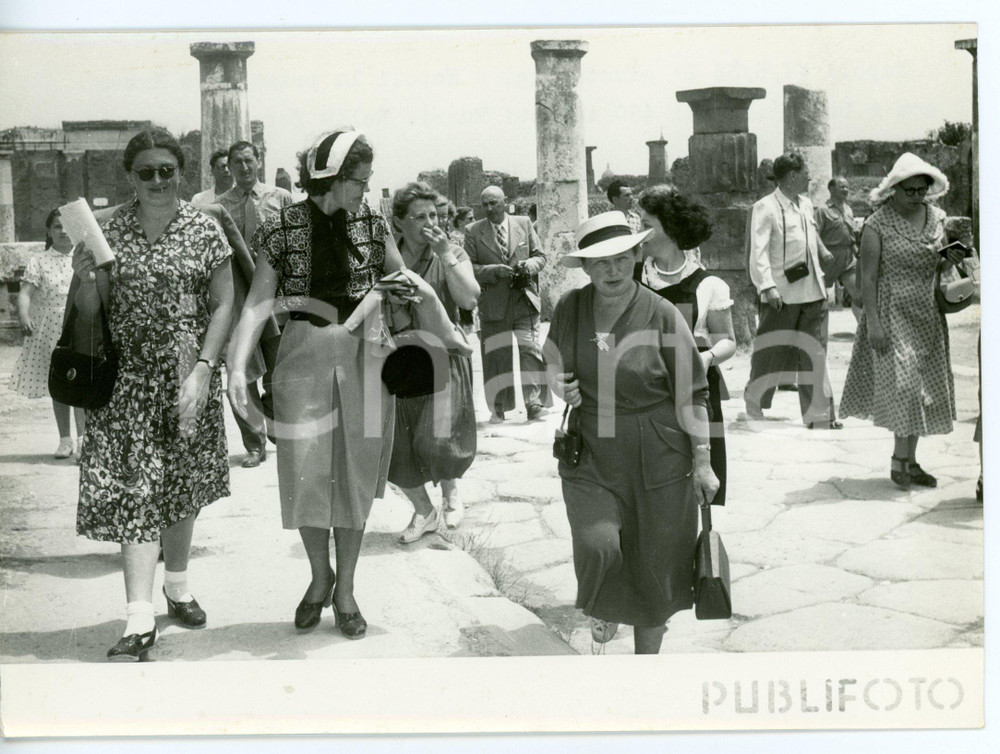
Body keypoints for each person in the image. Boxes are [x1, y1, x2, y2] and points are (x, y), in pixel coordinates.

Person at [227, 129, 449, 640]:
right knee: (306, 475)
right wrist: (237, 368)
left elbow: (404, 280)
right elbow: (257, 305)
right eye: (358, 182)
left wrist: (431, 307)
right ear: (327, 178)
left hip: (366, 356)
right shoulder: (281, 227)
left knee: (354, 475)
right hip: (302, 356)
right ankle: (318, 576)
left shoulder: (372, 223)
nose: (365, 193)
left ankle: (345, 589)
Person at [72, 128, 234, 661]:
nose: (159, 180)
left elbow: (224, 304)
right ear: (130, 176)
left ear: (181, 173)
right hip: (127, 381)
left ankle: (177, 586)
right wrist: (85, 281)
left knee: (182, 487)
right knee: (138, 490)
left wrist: (207, 368)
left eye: (168, 170)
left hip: (189, 373)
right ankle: (139, 619)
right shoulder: (108, 232)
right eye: (147, 172)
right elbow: (93, 315)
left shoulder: (205, 230)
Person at [546, 211, 719, 654]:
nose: (612, 270)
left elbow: (693, 394)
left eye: (622, 258)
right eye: (600, 262)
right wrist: (555, 381)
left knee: (655, 571)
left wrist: (703, 462)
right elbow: (551, 355)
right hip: (592, 451)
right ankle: (604, 603)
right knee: (598, 545)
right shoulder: (571, 307)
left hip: (659, 454)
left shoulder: (663, 314)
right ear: (584, 267)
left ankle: (647, 668)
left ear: (638, 255)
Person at [840, 153, 963, 489]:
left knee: (925, 388)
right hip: (892, 311)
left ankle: (911, 461)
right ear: (894, 189)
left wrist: (948, 258)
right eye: (910, 190)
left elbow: (935, 264)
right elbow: (868, 280)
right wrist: (873, 324)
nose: (917, 196)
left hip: (927, 313)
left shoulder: (937, 218)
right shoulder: (877, 224)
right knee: (905, 386)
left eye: (922, 190)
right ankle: (899, 459)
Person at [389, 182, 480, 541]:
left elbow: (469, 299)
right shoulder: (387, 255)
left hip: (444, 354)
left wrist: (446, 255)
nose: (431, 223)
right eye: (421, 217)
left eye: (435, 215)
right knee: (396, 443)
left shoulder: (452, 251)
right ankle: (424, 511)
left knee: (440, 439)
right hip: (398, 357)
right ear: (399, 223)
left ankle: (451, 493)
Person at [636, 186, 736, 507]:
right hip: (644, 388)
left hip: (694, 392)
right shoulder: (633, 277)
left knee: (692, 481)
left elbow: (728, 342)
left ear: (670, 227)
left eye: (645, 224)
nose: (639, 233)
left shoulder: (709, 285)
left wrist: (706, 357)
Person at [744, 152, 840, 429]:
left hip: (812, 289)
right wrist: (767, 286)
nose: (810, 178)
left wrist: (822, 252)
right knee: (772, 351)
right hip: (781, 294)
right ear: (792, 176)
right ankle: (755, 399)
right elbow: (758, 252)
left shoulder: (807, 205)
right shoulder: (765, 207)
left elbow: (810, 236)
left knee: (815, 352)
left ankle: (819, 415)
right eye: (805, 173)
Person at [218, 140, 294, 468]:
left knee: (282, 369)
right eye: (237, 163)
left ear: (259, 161)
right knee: (242, 372)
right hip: (239, 300)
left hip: (277, 298)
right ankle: (254, 444)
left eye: (249, 161)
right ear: (229, 168)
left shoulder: (281, 198)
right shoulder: (219, 206)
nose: (244, 168)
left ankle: (277, 424)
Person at [465, 185, 550, 423]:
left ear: (505, 202)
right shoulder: (473, 231)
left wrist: (529, 266)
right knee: (496, 354)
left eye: (494, 203)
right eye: (485, 204)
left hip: (524, 298)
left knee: (530, 350)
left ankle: (534, 403)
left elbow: (540, 256)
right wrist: (492, 271)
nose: (489, 209)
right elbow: (468, 267)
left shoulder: (524, 224)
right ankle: (499, 407)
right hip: (493, 302)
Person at [10, 209, 86, 458]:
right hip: (51, 330)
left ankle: (84, 439)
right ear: (48, 231)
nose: (63, 232)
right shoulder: (39, 261)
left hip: (81, 326)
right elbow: (25, 293)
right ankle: (65, 439)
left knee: (81, 384)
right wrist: (24, 316)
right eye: (56, 227)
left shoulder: (85, 258)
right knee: (62, 385)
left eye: (66, 227)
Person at [815, 176, 862, 321]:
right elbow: (814, 232)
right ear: (831, 189)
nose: (846, 190)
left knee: (860, 296)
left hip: (848, 259)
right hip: (828, 259)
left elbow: (851, 236)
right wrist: (823, 251)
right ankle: (816, 337)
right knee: (820, 300)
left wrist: (858, 254)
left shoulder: (848, 209)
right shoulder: (822, 210)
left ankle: (863, 332)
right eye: (842, 187)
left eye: (847, 187)